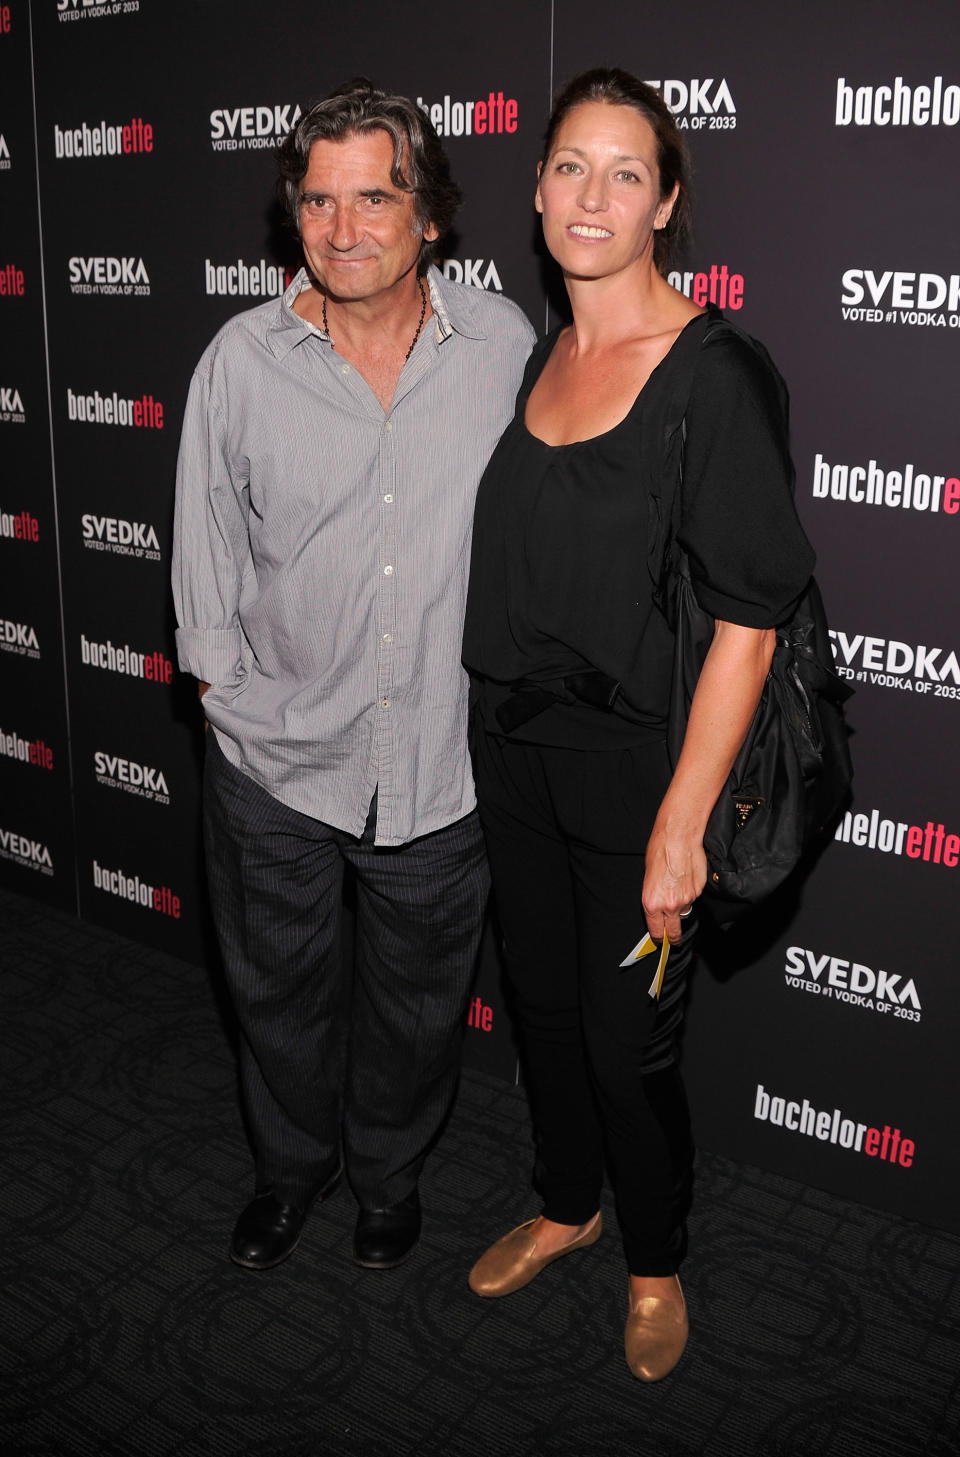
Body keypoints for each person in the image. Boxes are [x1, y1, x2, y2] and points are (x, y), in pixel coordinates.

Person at [461, 68, 814, 1380]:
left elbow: (748, 620)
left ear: (667, 201)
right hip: (511, 754)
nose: (589, 195)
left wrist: (682, 826)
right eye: (566, 165)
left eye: (623, 171)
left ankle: (654, 1260)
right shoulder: (541, 345)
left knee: (626, 1043)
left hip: (636, 776)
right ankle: (566, 1205)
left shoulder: (716, 373)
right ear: (538, 186)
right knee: (541, 1012)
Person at [172, 79, 535, 1274]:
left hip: (438, 762)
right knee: (273, 996)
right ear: (295, 215)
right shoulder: (239, 360)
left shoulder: (506, 351)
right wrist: (222, 693)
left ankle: (387, 1173)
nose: (343, 228)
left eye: (374, 197)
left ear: (428, 213)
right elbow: (207, 543)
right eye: (318, 201)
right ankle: (290, 1171)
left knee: (418, 1010)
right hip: (274, 762)